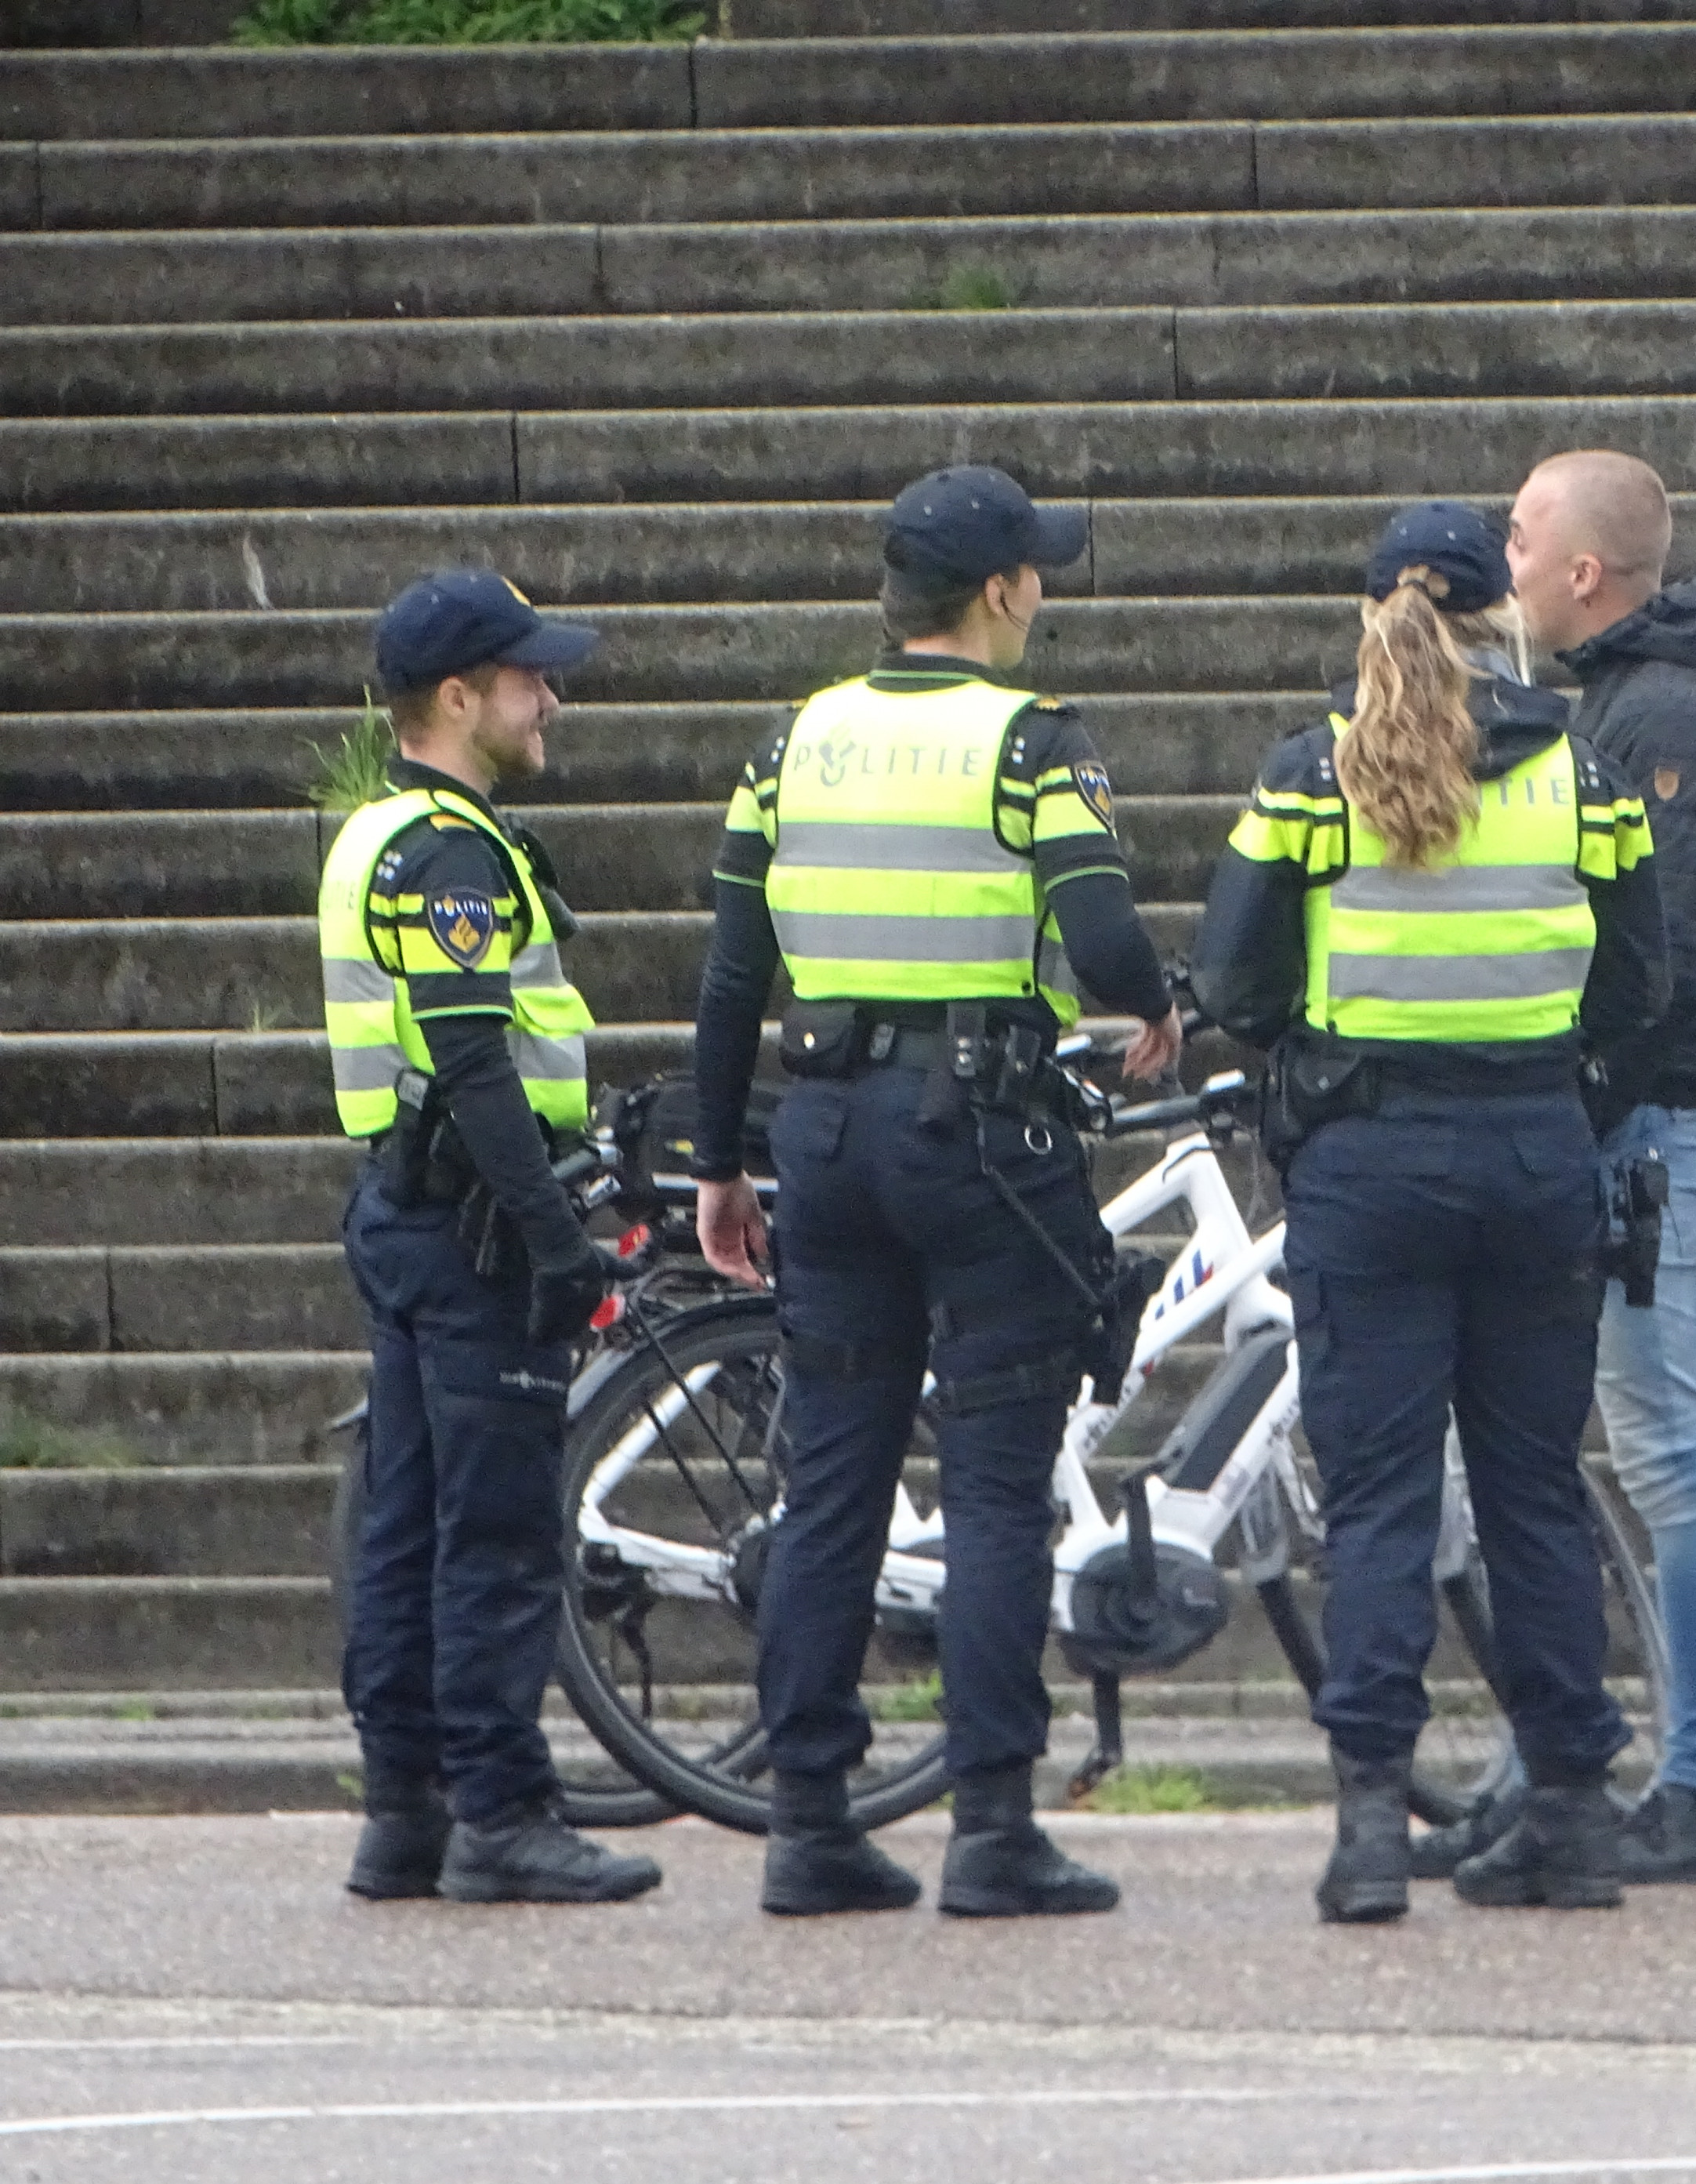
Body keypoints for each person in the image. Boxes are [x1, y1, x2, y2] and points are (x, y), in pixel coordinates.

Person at [689, 465, 1183, 1920]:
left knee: (832, 1484)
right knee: (990, 1490)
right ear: (1001, 594)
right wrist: (1152, 1007)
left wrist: (725, 1160)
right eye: (1037, 571)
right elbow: (1099, 937)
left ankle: (810, 1822)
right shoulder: (1029, 741)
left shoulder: (795, 741)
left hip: (824, 1137)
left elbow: (730, 980)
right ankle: (993, 1827)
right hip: (981, 1144)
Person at [1194, 501, 1669, 1924]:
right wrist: (1560, 1101)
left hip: (1368, 1166)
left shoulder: (1310, 773)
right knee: (1533, 1493)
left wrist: (1319, 1059)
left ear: (1373, 618)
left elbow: (1233, 981)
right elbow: (1643, 993)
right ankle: (1572, 1819)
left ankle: (1369, 1832)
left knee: (1383, 1503)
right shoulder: (1582, 773)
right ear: (1498, 618)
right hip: (1532, 1158)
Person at [321, 568, 661, 1906]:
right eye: (529, 679)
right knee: (499, 1531)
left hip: (402, 1211)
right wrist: (555, 1239)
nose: (551, 699)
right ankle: (502, 1812)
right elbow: (472, 1060)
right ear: (457, 698)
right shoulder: (452, 854)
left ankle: (405, 1809)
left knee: (406, 1522)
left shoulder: (376, 832)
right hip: (471, 1226)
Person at [1502, 450, 1696, 1885]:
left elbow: (1647, 964)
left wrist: (1581, 1114)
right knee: (1643, 1449)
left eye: (1526, 537)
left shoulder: (1654, 718)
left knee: (1665, 1451)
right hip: (1660, 1119)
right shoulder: (1638, 700)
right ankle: (1660, 1769)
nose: (1510, 562)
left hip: (1655, 1126)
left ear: (1587, 574)